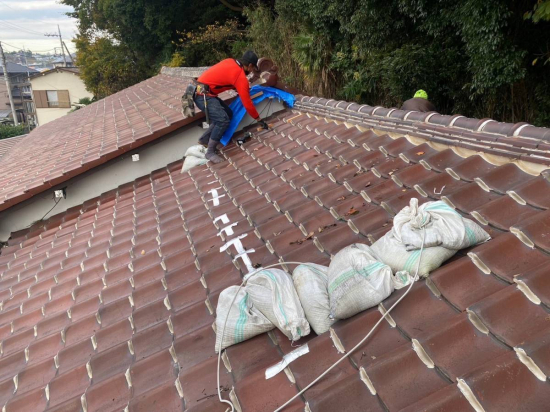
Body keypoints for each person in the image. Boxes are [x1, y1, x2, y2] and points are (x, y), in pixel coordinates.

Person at [194, 50, 268, 164]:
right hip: (203, 96)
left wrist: (237, 87)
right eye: (253, 69)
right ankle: (210, 151)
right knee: (223, 120)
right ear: (250, 66)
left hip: (202, 91)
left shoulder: (230, 61)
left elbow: (224, 78)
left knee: (228, 113)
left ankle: (204, 139)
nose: (252, 72)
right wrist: (259, 119)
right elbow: (247, 103)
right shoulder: (240, 77)